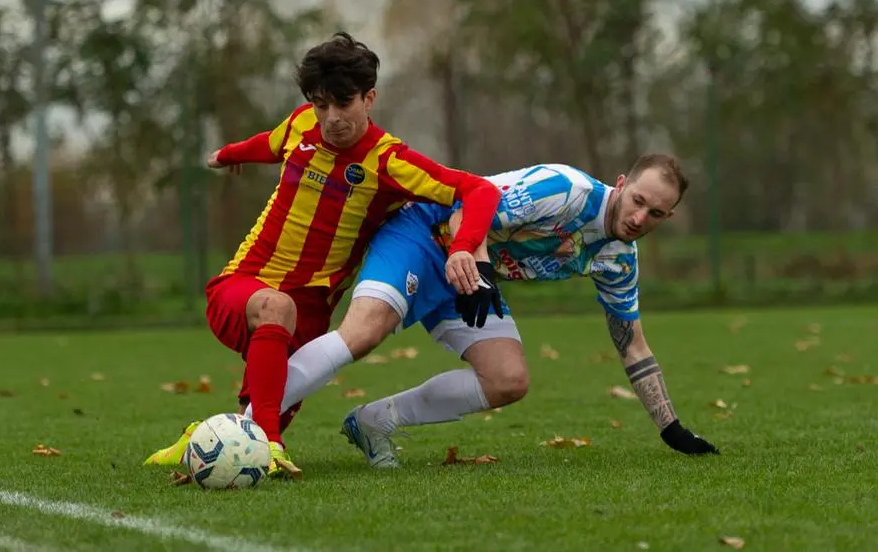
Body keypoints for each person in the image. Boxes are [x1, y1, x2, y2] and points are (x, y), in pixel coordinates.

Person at [142, 31, 502, 479]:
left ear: (369, 98)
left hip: (310, 317)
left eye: (343, 103)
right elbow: (270, 144)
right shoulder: (300, 126)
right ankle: (271, 447)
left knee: (258, 410)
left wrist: (466, 248)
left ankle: (203, 439)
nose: (330, 118)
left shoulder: (389, 162)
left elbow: (479, 189)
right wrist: (228, 154)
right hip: (243, 286)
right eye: (320, 104)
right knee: (276, 314)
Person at [234, 155, 720, 468]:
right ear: (622, 183)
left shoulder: (617, 260)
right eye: (637, 201)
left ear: (668, 217)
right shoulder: (566, 189)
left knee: (509, 379)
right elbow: (472, 207)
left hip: (468, 273)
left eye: (655, 214)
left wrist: (670, 428)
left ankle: (372, 421)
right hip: (427, 233)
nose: (640, 218)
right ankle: (237, 433)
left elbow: (631, 344)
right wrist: (480, 267)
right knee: (364, 333)